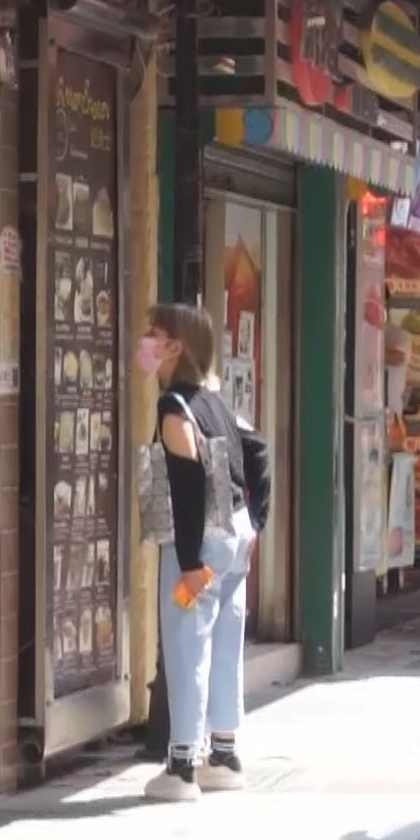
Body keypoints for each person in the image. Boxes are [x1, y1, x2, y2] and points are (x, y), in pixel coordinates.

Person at [140, 303, 270, 802]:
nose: (145, 343)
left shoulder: (175, 405)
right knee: (226, 641)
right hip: (236, 534)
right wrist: (256, 519)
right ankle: (224, 752)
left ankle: (181, 766)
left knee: (185, 643)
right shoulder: (212, 400)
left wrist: (191, 561)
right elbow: (256, 448)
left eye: (154, 334)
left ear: (176, 346)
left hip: (200, 541)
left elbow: (188, 482)